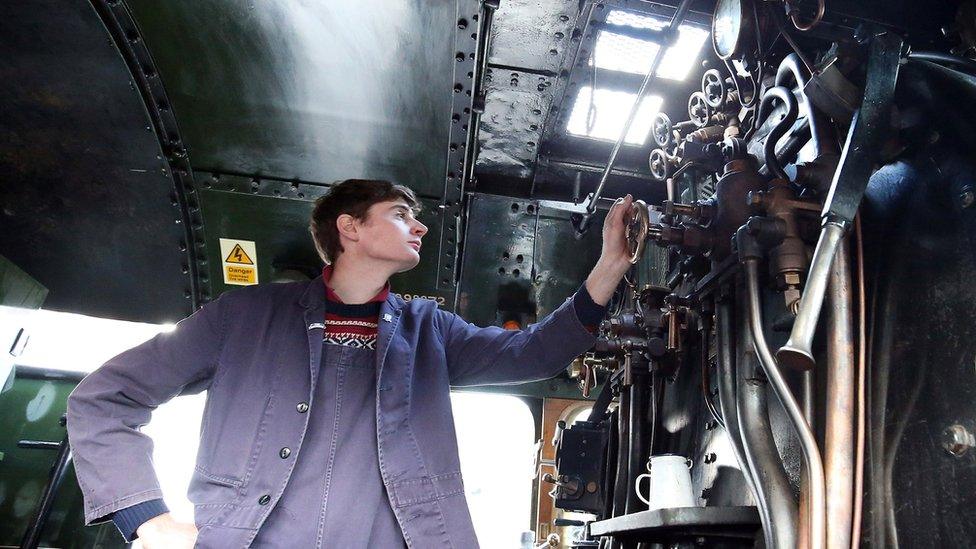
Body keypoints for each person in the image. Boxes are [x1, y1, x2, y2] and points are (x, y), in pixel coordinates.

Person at [66, 179, 634, 548]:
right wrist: (145, 517)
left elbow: (535, 352)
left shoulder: (428, 328)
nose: (420, 225)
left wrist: (610, 266)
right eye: (400, 214)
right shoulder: (243, 315)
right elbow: (102, 399)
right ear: (350, 227)